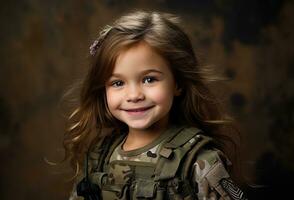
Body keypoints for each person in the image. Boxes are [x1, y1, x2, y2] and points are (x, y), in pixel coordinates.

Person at [64, 10, 247, 200]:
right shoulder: (99, 157)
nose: (134, 95)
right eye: (118, 83)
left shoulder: (198, 161)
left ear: (177, 83)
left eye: (149, 79)